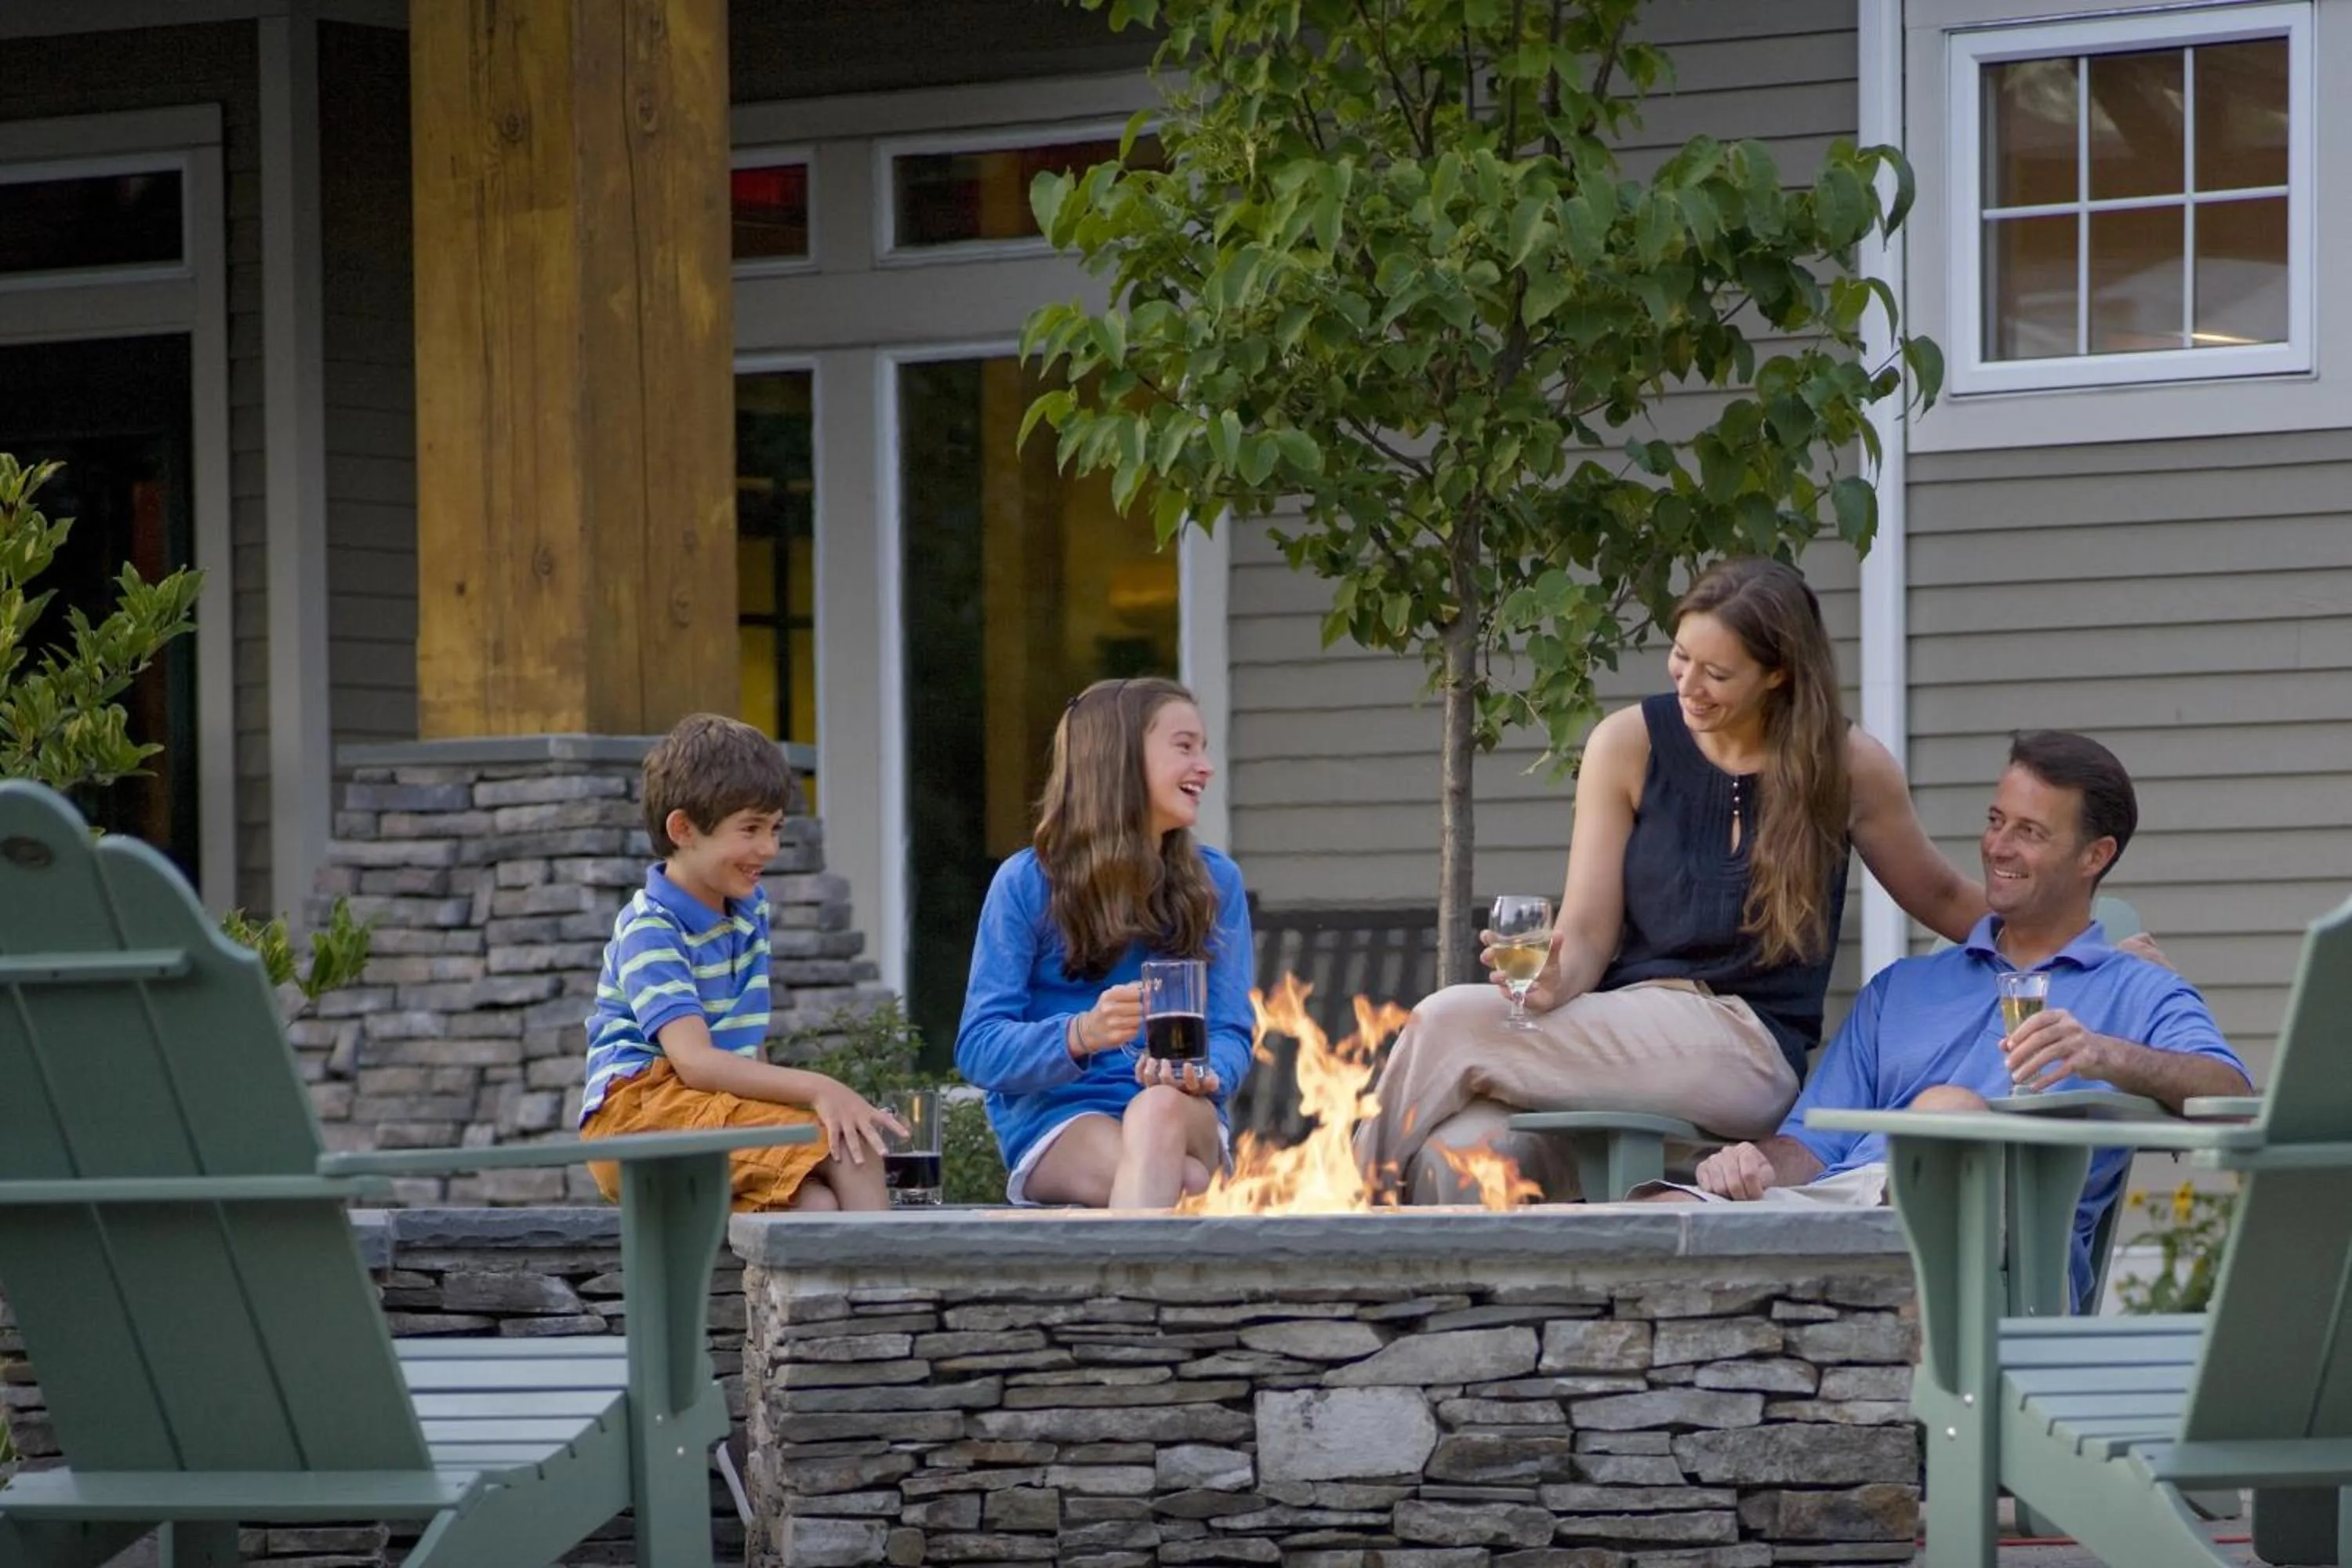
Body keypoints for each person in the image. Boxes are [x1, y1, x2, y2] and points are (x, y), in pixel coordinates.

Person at [1356, 557, 1994, 1203]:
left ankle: (1330, 1211)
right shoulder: (1627, 744)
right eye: (1681, 658)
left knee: (1446, 1021)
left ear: (1778, 674)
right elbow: (1585, 933)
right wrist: (1554, 979)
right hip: (1614, 1026)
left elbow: (1939, 895)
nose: (1691, 684)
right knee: (1465, 1151)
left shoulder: (1849, 767)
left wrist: (2064, 947)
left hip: (1740, 1047)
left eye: (1718, 673)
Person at [1650, 730, 2250, 1309]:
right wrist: (1752, 1163)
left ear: (2095, 855)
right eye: (1996, 822)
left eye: (2030, 833)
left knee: (1948, 1113)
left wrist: (2108, 1055)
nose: (1998, 848)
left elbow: (2236, 1101)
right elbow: (1812, 1144)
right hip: (1845, 1208)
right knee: (1644, 1221)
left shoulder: (2137, 989)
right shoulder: (1901, 989)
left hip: (2008, 1253)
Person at [580, 713, 900, 1210]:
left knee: (819, 1198)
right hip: (639, 1114)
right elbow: (695, 1061)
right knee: (849, 1149)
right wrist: (820, 1089)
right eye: (750, 829)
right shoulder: (651, 926)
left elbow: (746, 1049)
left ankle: (848, 1290)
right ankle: (888, 1289)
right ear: (684, 829)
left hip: (708, 1105)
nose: (768, 848)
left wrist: (793, 1104)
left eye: (775, 828)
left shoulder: (750, 912)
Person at [956, 677, 1254, 1209]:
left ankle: (1127, 1288)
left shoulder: (1216, 881)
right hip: (1063, 1121)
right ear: (1119, 761)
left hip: (1186, 1112)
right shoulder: (1027, 883)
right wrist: (1081, 1033)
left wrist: (1205, 1072)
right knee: (1179, 1180)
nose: (1205, 766)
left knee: (1158, 1110)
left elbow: (1231, 1029)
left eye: (1204, 748)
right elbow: (979, 1048)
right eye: (1185, 747)